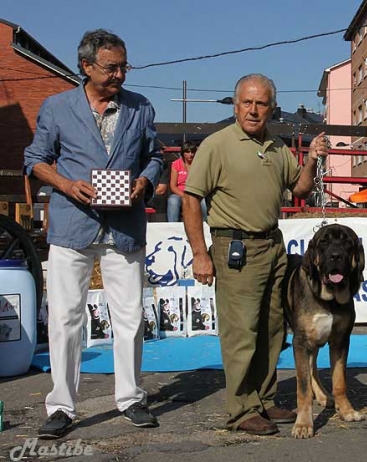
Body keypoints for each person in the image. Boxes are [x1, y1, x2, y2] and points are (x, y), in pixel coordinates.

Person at [23, 29, 163, 439]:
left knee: (130, 317)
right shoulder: (56, 107)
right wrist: (66, 185)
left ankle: (131, 398)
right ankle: (61, 406)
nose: (120, 74)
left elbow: (153, 156)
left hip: (124, 225)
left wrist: (144, 182)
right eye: (111, 67)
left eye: (124, 66)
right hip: (72, 224)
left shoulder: (140, 108)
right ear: (85, 67)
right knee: (65, 318)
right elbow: (36, 160)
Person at [182, 74, 329, 436]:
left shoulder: (278, 148)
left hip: (273, 246)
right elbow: (190, 199)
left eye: (260, 103)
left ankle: (263, 399)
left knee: (274, 328)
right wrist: (200, 253)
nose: (253, 109)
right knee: (241, 332)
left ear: (271, 108)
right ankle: (241, 409)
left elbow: (300, 188)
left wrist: (310, 159)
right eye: (246, 102)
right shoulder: (217, 144)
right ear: (235, 106)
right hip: (235, 248)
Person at [167, 140, 200, 222]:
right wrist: (184, 195)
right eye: (187, 152)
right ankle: (173, 227)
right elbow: (173, 186)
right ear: (183, 152)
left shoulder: (199, 164)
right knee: (173, 201)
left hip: (196, 192)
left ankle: (205, 228)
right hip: (180, 193)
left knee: (202, 203)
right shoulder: (176, 164)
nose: (190, 154)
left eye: (192, 152)